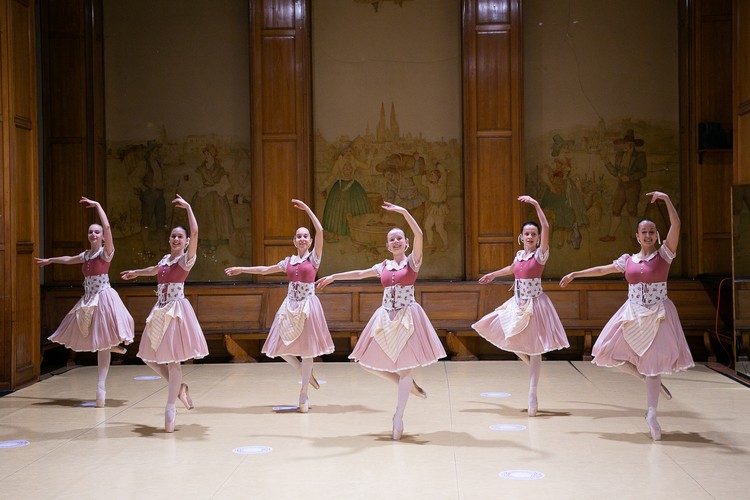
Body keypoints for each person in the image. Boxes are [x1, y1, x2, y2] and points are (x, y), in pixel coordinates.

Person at [560, 191, 694, 441]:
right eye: (644, 232)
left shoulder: (664, 255)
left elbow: (677, 224)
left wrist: (665, 200)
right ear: (637, 236)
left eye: (652, 231)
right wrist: (576, 273)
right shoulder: (628, 260)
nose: (648, 235)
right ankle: (644, 377)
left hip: (658, 315)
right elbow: (602, 269)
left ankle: (651, 414)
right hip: (633, 312)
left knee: (654, 366)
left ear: (657, 235)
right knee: (604, 350)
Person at [316, 202, 446, 440]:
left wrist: (403, 212)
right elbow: (358, 274)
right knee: (366, 362)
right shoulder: (382, 266)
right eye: (392, 240)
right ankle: (407, 385)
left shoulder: (412, 262)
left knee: (406, 366)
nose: (396, 242)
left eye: (399, 238)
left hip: (408, 316)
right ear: (387, 245)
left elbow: (420, 233)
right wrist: (334, 276)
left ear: (406, 243)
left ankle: (398, 416)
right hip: (386, 315)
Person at [224, 199, 334, 413]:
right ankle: (305, 371)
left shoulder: (314, 259)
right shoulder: (288, 262)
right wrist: (242, 268)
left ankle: (303, 393)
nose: (302, 239)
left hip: (308, 305)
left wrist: (308, 210)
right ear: (294, 241)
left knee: (308, 350)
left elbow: (320, 230)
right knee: (280, 346)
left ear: (310, 241)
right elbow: (265, 270)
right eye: (299, 236)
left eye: (305, 236)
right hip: (290, 305)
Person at [472, 196, 570, 416]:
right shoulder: (520, 255)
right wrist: (493, 275)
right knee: (495, 328)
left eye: (533, 234)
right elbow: (511, 268)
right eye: (527, 234)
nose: (530, 237)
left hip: (535, 304)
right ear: (521, 237)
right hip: (517, 302)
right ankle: (531, 365)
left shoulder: (540, 255)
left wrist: (535, 204)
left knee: (535, 350)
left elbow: (545, 226)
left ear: (537, 238)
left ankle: (532, 394)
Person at [35, 197, 134, 408]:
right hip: (88, 298)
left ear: (103, 237)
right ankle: (111, 351)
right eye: (91, 232)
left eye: (97, 232)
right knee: (90, 335)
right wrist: (50, 261)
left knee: (103, 338)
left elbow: (107, 226)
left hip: (103, 297)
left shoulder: (106, 253)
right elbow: (70, 259)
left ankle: (101, 385)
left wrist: (98, 206)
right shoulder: (87, 254)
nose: (94, 234)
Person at [121, 195, 208, 433]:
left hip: (176, 311)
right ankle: (178, 388)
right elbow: (155, 269)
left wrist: (189, 207)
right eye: (173, 236)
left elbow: (196, 231)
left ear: (186, 241)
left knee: (173, 360)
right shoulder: (165, 259)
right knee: (148, 357)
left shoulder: (186, 259)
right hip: (159, 309)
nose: (176, 239)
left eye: (180, 236)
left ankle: (171, 408)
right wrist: (137, 273)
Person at [598, 130, 648, 242]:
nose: (624, 146)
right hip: (621, 186)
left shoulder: (640, 156)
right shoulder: (619, 155)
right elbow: (615, 172)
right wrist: (606, 162)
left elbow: (643, 172)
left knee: (632, 211)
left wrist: (629, 177)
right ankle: (611, 235)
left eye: (626, 144)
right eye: (624, 144)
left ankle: (634, 237)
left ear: (632, 145)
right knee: (616, 209)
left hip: (633, 187)